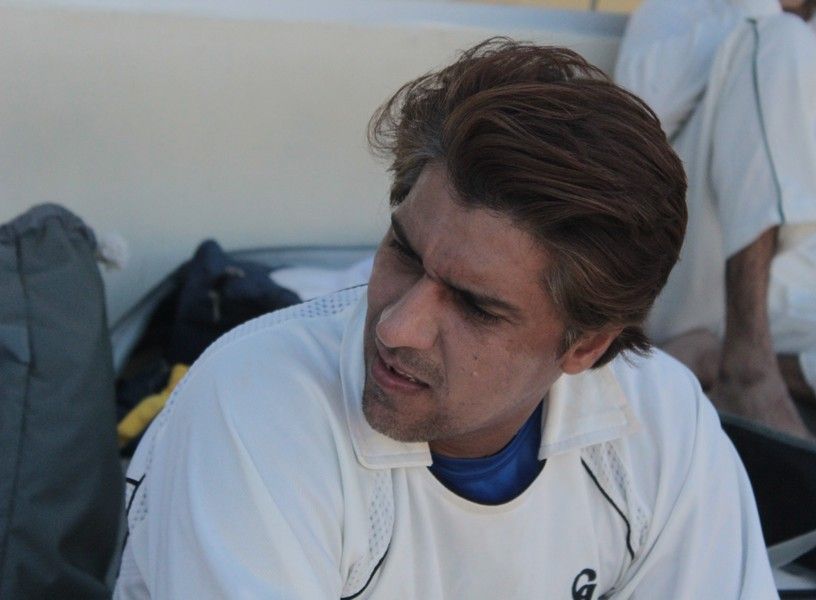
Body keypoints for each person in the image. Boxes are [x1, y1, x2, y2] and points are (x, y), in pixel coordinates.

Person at [113, 39, 776, 598]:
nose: (397, 328)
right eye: (403, 253)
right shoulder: (256, 404)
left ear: (586, 347)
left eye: (474, 305)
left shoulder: (660, 422)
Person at [616, 0, 816, 458]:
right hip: (694, 293)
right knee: (781, 41)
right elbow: (632, 118)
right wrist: (761, 10)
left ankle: (735, 366)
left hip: (801, 309)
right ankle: (748, 367)